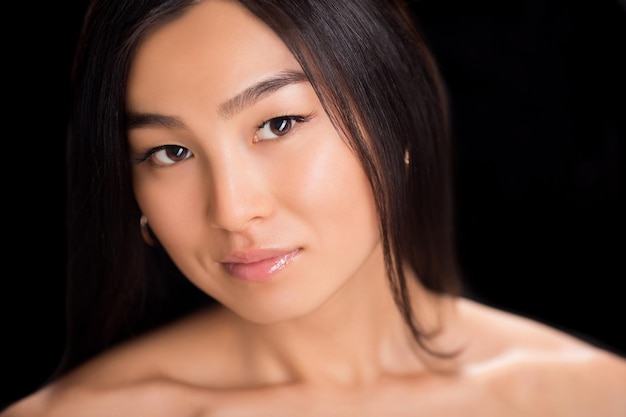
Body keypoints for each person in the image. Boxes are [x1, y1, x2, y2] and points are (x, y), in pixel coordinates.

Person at [3, 0, 625, 415]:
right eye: (169, 151)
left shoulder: (593, 398)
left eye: (278, 124)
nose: (233, 210)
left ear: (396, 123)